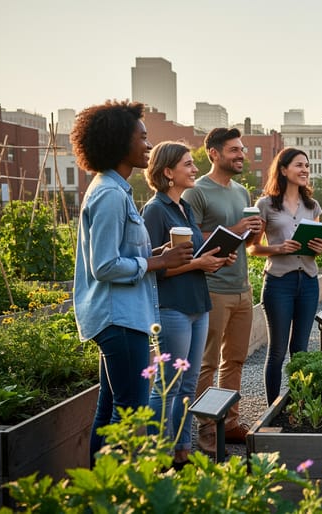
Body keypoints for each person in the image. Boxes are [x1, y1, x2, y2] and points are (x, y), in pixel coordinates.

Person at [70, 101, 192, 462]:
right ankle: (115, 492)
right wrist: (158, 261)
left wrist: (157, 253)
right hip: (119, 318)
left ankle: (100, 491)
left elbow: (120, 253)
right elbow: (104, 265)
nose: (148, 145)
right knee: (127, 415)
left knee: (110, 414)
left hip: (121, 317)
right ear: (118, 141)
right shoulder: (109, 194)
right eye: (142, 137)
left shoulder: (113, 189)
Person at [141, 142, 232, 468]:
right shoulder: (154, 210)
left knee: (188, 384)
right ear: (168, 172)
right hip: (172, 307)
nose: (195, 169)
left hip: (197, 303)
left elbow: (190, 257)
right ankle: (158, 456)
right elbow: (155, 266)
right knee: (166, 385)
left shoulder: (184, 209)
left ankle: (181, 449)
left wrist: (213, 260)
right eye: (188, 164)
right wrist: (198, 264)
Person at [182, 128, 262, 454]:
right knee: (207, 363)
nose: (240, 155)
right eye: (233, 150)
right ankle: (206, 432)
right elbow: (189, 239)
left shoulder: (242, 193)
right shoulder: (196, 193)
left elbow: (246, 244)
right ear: (213, 153)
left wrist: (255, 232)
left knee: (235, 360)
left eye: (242, 150)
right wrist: (236, 229)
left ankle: (229, 424)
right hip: (212, 288)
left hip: (242, 287)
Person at [247, 148, 322, 405]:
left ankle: (299, 405)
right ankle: (272, 409)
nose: (305, 170)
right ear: (283, 170)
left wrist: (319, 248)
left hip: (309, 281)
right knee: (278, 351)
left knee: (301, 351)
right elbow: (253, 247)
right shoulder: (265, 205)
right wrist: (278, 248)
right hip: (279, 282)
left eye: (307, 166)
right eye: (299, 165)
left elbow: (318, 245)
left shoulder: (313, 206)